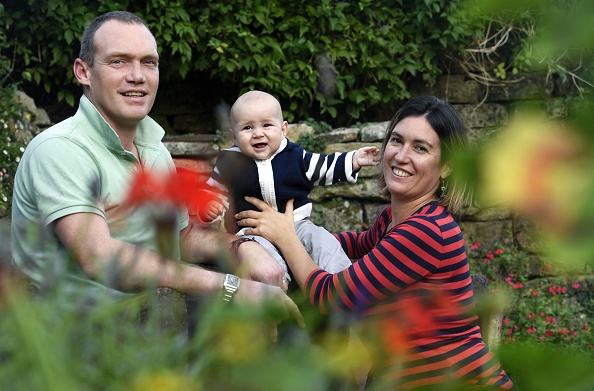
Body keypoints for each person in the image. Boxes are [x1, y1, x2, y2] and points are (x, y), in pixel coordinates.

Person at [10, 11, 302, 332]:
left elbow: (182, 237)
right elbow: (99, 257)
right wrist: (233, 287)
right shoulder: (60, 149)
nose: (138, 75)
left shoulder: (153, 147)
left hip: (154, 311)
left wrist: (245, 247)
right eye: (119, 61)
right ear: (84, 72)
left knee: (288, 290)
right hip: (77, 338)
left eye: (149, 62)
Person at [236, 96, 516, 389]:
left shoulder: (427, 231)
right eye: (397, 141)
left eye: (420, 148)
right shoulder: (394, 221)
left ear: (445, 166)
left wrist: (285, 236)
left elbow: (334, 298)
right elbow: (351, 245)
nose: (401, 155)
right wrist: (262, 240)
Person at [200, 90, 380, 284]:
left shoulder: (296, 157)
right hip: (253, 232)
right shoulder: (229, 163)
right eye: (248, 128)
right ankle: (279, 286)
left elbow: (325, 165)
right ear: (234, 136)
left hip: (298, 225)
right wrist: (209, 207)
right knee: (261, 257)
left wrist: (354, 159)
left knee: (323, 241)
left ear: (283, 129)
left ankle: (344, 282)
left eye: (267, 125)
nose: (258, 133)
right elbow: (214, 190)